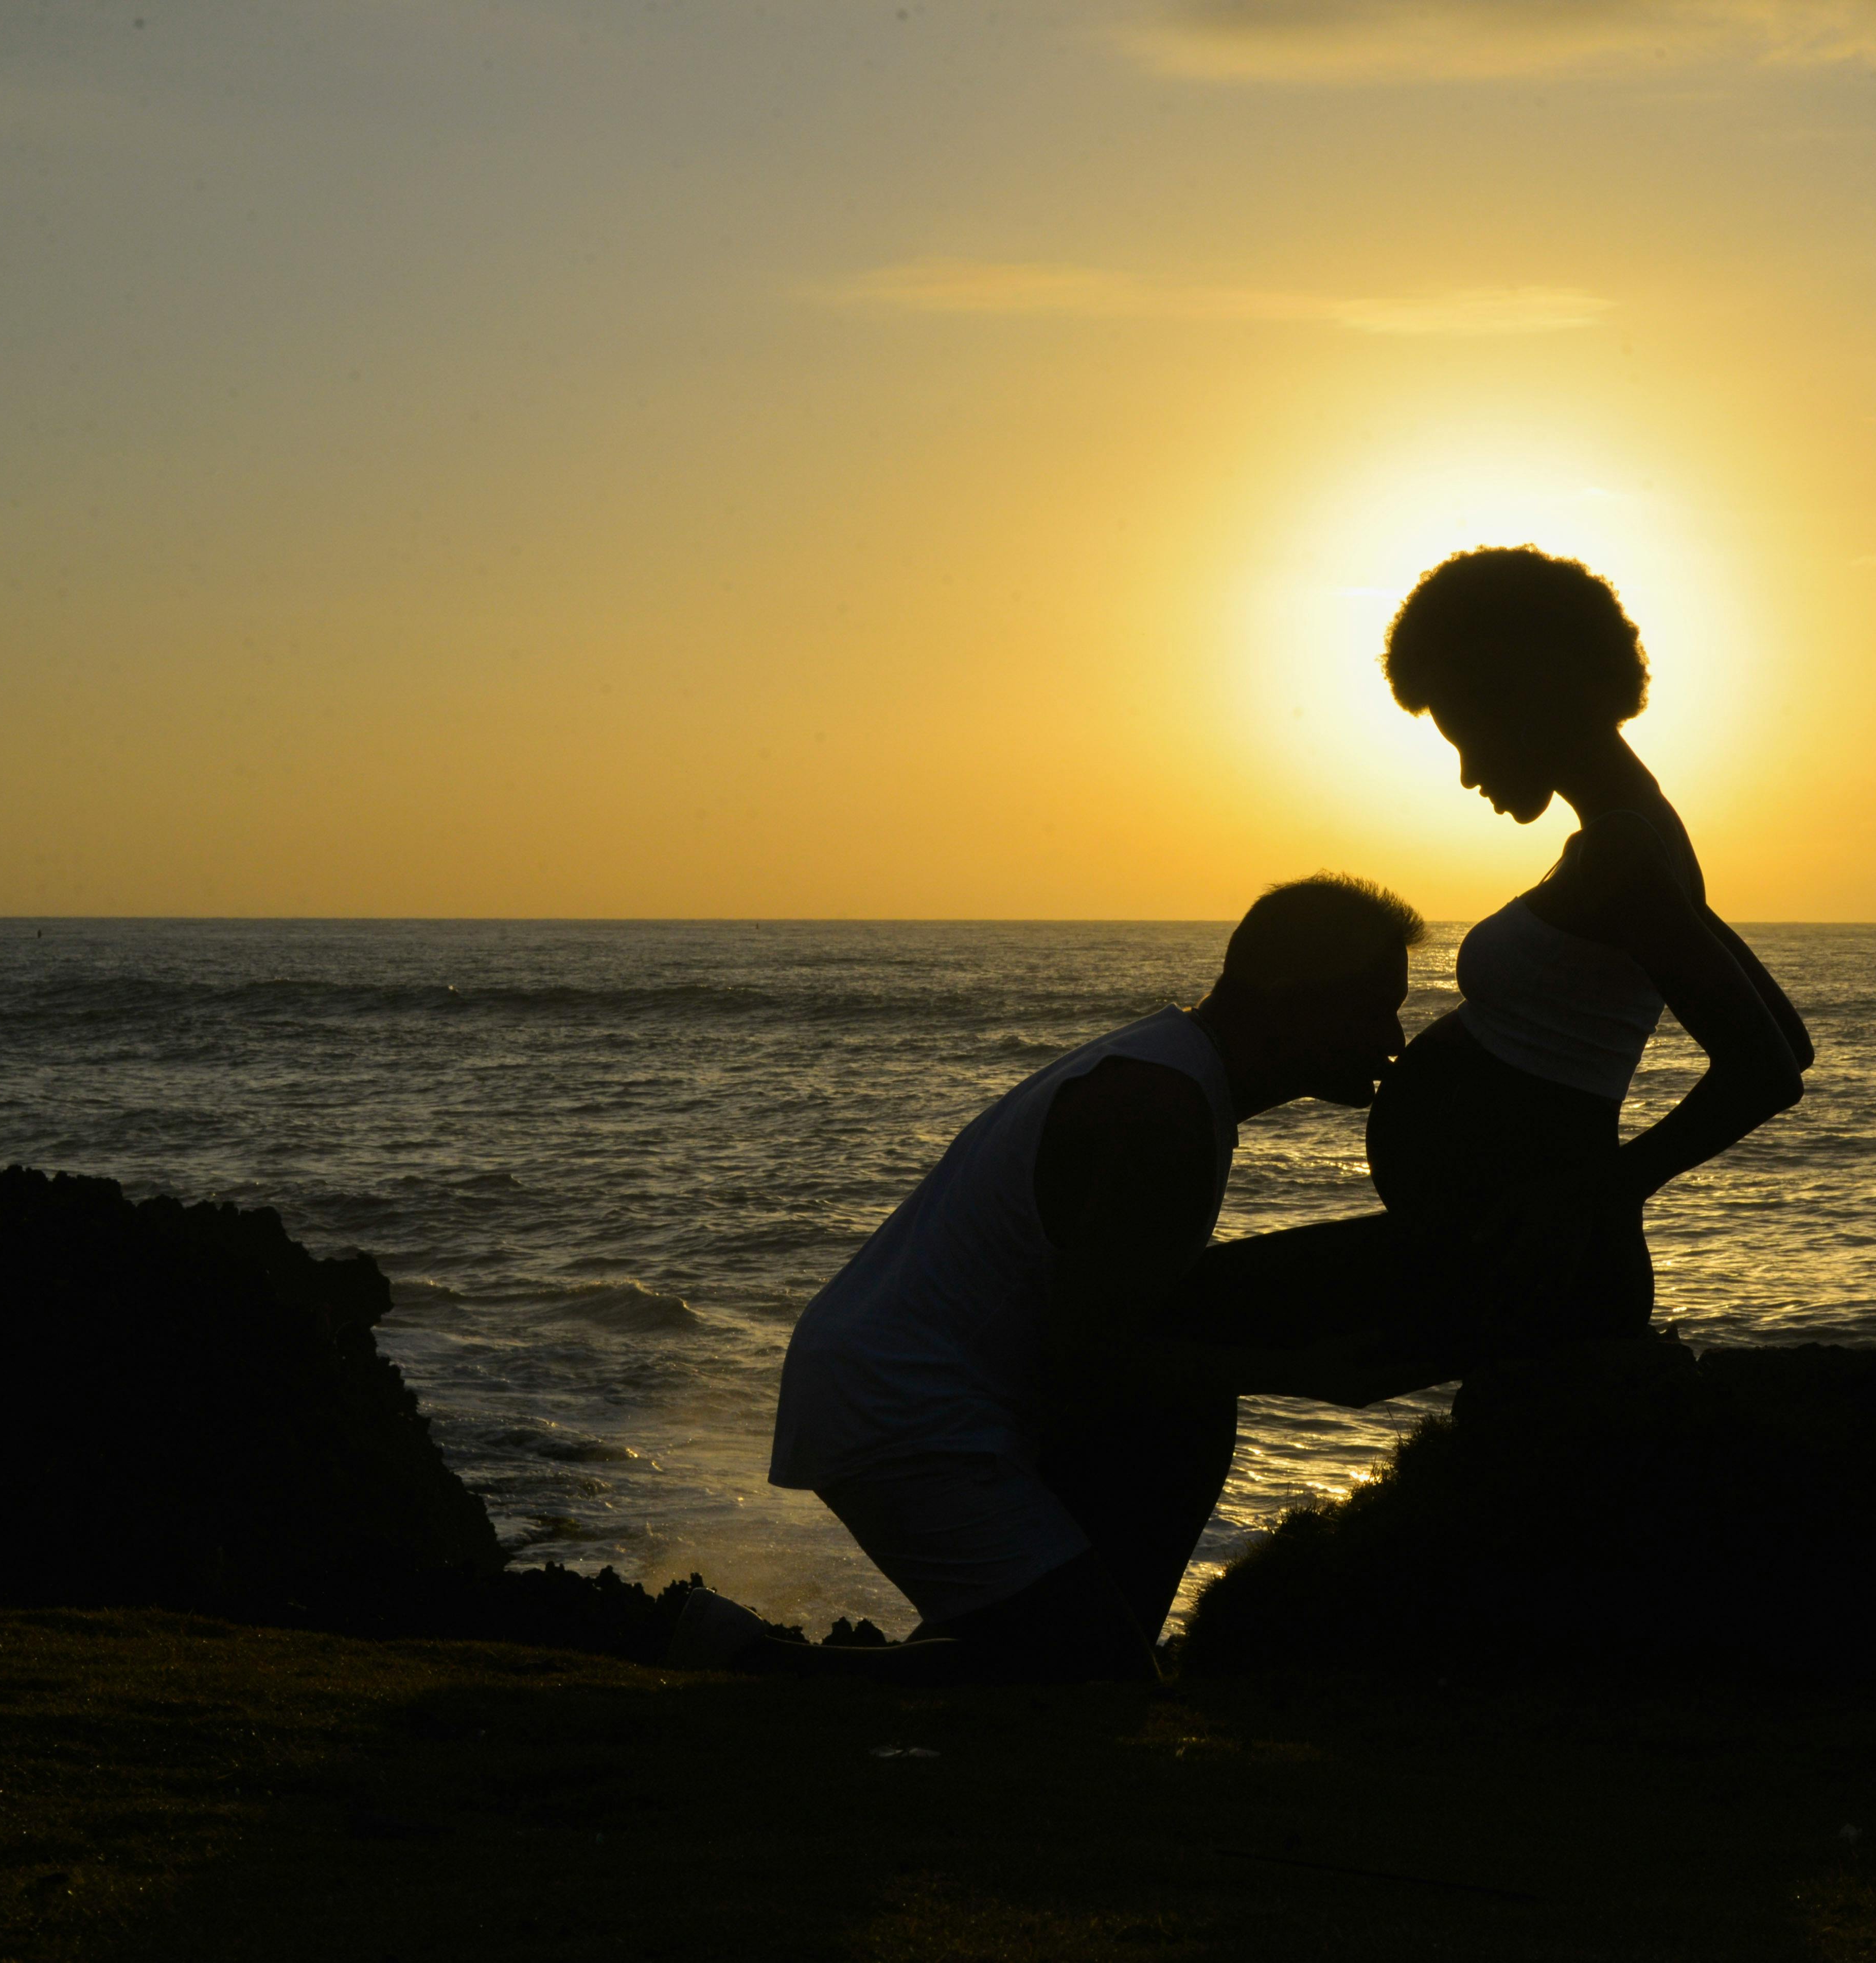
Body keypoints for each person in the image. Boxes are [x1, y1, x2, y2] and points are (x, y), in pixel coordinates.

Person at [675, 875, 1438, 1682]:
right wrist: (1305, 1375)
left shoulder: (1170, 1070)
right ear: (1288, 997)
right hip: (904, 1408)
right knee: (1091, 1682)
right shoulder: (1161, 1108)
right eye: (1371, 1009)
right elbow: (1091, 1355)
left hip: (916, 1390)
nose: (1394, 1040)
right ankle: (750, 1666)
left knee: (1053, 1644)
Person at [1194, 547, 1811, 1363]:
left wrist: (1593, 1196)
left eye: (1469, 734)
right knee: (1191, 1323)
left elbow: (1767, 1069)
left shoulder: (1623, 854)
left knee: (1173, 1321)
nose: (1466, 773)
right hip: (1507, 1250)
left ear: (1532, 695)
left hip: (1532, 1260)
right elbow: (1789, 1040)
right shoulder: (1629, 840)